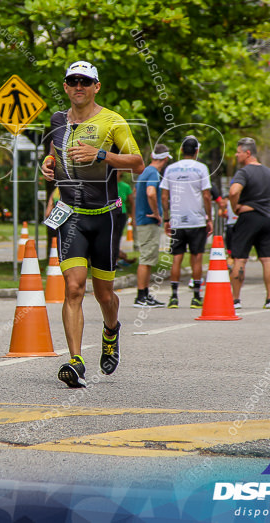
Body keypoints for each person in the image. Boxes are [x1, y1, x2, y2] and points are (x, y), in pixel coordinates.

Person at [40, 61, 143, 388]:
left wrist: (102, 155)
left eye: (85, 81)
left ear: (97, 86)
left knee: (104, 294)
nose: (78, 86)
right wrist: (48, 164)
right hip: (70, 215)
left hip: (106, 218)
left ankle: (111, 330)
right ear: (66, 86)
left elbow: (138, 163)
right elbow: (55, 155)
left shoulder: (113, 121)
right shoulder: (57, 120)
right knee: (73, 287)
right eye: (73, 81)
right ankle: (75, 360)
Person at [160, 136, 213, 309]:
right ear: (196, 151)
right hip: (196, 220)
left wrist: (167, 218)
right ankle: (196, 297)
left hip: (176, 220)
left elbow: (164, 196)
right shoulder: (201, 168)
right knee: (196, 257)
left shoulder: (170, 169)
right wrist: (209, 217)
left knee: (176, 258)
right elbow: (206, 195)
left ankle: (174, 297)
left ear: (181, 150)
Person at [228, 138, 270, 309]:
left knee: (240, 259)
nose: (236, 155)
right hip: (266, 219)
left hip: (248, 218)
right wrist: (265, 207)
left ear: (247, 153)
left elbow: (234, 190)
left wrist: (235, 206)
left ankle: (235, 300)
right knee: (266, 259)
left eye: (238, 152)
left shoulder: (243, 172)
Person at [132, 143, 170, 308]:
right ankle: (141, 296)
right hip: (148, 221)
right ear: (165, 159)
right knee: (146, 258)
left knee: (148, 258)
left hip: (143, 220)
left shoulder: (145, 171)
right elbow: (151, 193)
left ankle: (145, 295)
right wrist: (156, 213)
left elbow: (135, 194)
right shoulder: (153, 172)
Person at [116, 175, 135, 267]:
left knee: (117, 237)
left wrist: (133, 218)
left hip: (121, 214)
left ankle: (116, 259)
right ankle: (118, 257)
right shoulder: (106, 184)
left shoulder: (125, 186)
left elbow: (132, 203)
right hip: (108, 214)